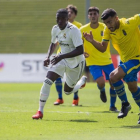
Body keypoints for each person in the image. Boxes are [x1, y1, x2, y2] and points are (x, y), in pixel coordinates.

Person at [83, 8, 140, 124]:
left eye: (110, 22)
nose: (108, 25)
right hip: (124, 60)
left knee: (113, 77)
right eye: (106, 23)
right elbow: (103, 48)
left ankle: (125, 104)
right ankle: (127, 104)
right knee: (132, 87)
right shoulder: (107, 30)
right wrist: (92, 41)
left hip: (136, 58)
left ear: (116, 18)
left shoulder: (129, 23)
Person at [32, 9, 87, 119]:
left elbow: (80, 50)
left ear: (67, 19)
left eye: (62, 19)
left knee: (67, 92)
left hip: (76, 63)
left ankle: (80, 83)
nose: (60, 21)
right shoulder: (55, 29)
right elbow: (53, 44)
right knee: (47, 80)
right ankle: (40, 111)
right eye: (58, 19)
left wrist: (61, 56)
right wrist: (47, 56)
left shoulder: (74, 30)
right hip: (62, 59)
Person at [80, 7, 118, 112]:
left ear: (98, 15)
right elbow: (78, 43)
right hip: (92, 61)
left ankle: (112, 106)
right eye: (91, 14)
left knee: (113, 83)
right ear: (88, 16)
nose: (93, 16)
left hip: (106, 60)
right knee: (101, 82)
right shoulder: (83, 30)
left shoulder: (105, 27)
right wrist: (82, 51)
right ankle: (102, 90)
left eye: (95, 14)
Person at [54, 5, 83, 106]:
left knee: (71, 79)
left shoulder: (78, 26)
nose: (69, 13)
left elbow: (81, 42)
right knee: (56, 75)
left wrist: (85, 52)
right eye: (68, 12)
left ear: (75, 15)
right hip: (61, 54)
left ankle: (75, 98)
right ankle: (60, 98)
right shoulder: (60, 25)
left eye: (71, 12)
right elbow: (56, 41)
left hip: (72, 56)